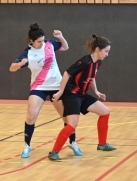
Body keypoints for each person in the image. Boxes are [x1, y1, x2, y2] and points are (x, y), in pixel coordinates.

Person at [9, 23, 82, 158]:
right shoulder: (28, 53)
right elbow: (11, 68)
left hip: (56, 86)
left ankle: (72, 142)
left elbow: (65, 47)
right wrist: (19, 64)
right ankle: (27, 146)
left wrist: (61, 37)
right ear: (32, 41)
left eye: (43, 40)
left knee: (67, 118)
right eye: (39, 41)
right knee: (31, 117)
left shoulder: (49, 44)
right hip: (39, 87)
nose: (42, 43)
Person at [48, 33, 116, 161]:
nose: (107, 54)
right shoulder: (85, 61)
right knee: (72, 124)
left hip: (82, 94)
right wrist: (60, 92)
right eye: (106, 51)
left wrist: (96, 91)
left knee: (105, 112)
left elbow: (91, 77)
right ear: (97, 49)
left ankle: (102, 145)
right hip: (72, 94)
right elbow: (67, 73)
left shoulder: (98, 62)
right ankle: (54, 152)